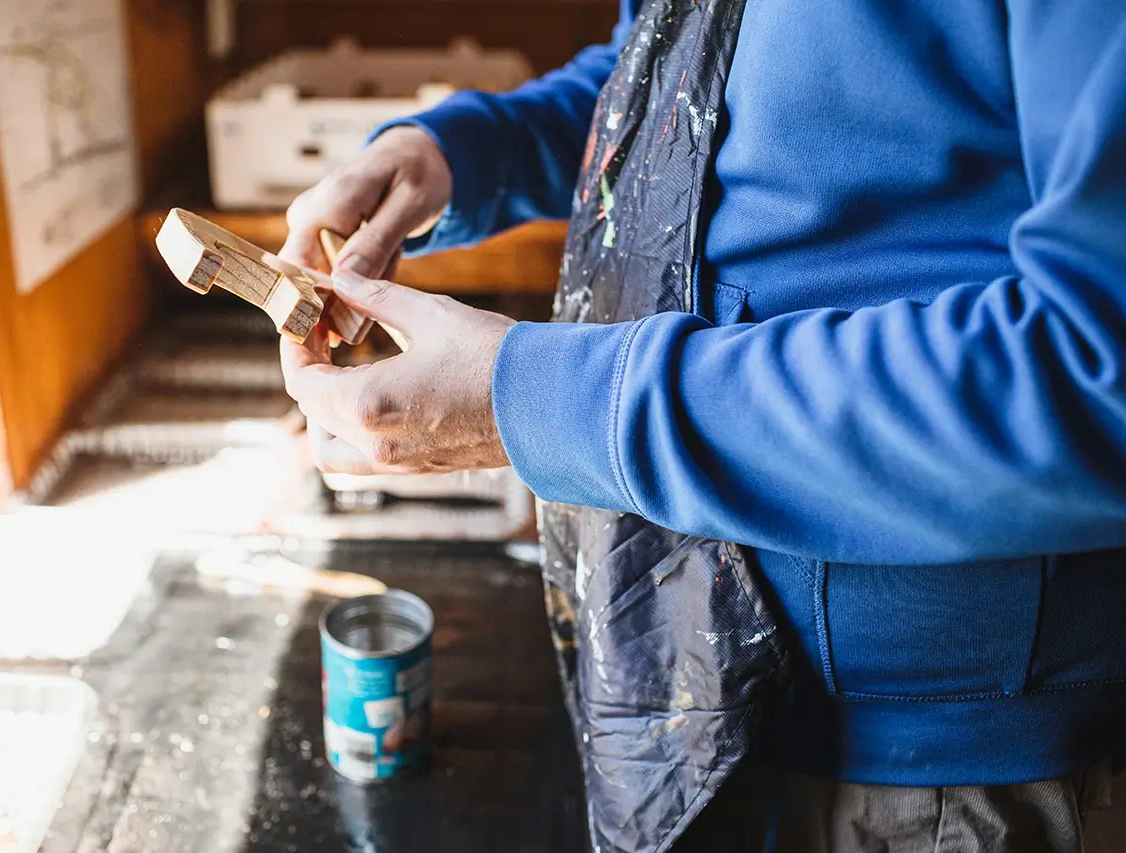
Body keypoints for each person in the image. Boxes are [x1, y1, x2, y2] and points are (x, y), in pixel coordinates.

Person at [277, 1, 1126, 850]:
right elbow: (682, 79)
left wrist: (551, 402)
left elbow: (1096, 374)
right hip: (693, 705)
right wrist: (461, 152)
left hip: (942, 780)